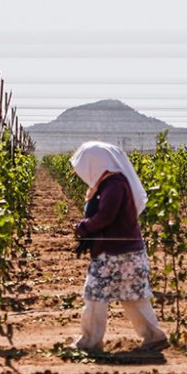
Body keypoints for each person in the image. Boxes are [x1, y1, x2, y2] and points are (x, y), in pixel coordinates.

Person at [69, 141, 168, 353]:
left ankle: (90, 342)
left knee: (96, 294)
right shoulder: (111, 183)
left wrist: (83, 227)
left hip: (115, 254)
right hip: (124, 252)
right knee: (132, 296)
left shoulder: (113, 185)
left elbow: (105, 216)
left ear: (96, 164)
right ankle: (154, 337)